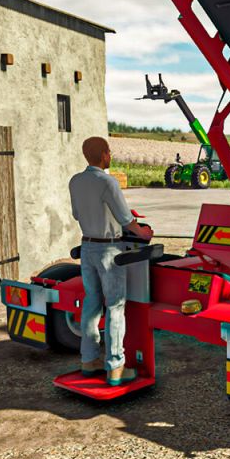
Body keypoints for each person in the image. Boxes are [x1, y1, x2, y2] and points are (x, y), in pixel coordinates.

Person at [69, 137, 152, 386]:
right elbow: (126, 219)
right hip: (108, 249)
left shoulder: (75, 181)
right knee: (115, 307)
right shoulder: (108, 181)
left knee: (92, 304)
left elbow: (77, 214)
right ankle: (116, 367)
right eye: (109, 152)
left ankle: (88, 360)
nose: (110, 156)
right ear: (104, 154)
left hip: (87, 246)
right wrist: (143, 232)